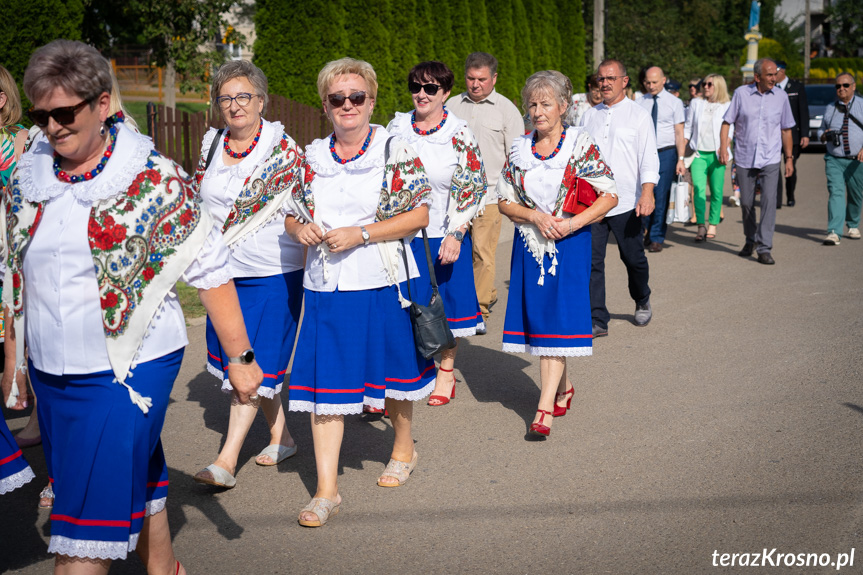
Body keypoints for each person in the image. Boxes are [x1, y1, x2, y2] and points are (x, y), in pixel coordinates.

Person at [12, 39, 262, 573]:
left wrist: (241, 360)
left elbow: (208, 267)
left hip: (127, 367)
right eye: (41, 114)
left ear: (102, 104)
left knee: (79, 534)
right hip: (53, 369)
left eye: (64, 112)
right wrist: (18, 364)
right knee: (131, 471)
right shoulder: (27, 177)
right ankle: (164, 566)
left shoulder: (151, 178)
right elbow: (15, 275)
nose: (52, 126)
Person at [284, 57, 434, 527]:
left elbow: (421, 215)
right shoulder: (309, 157)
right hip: (326, 285)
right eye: (337, 98)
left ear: (371, 101)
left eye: (357, 97)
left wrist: (363, 233)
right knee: (324, 384)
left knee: (394, 377)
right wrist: (300, 228)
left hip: (384, 281)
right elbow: (288, 213)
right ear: (325, 104)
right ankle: (327, 490)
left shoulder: (395, 149)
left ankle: (404, 446)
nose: (347, 105)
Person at [191, 60, 304, 488]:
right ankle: (284, 437)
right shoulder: (212, 143)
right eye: (226, 97)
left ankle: (225, 460)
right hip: (223, 273)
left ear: (261, 100)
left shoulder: (283, 150)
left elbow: (305, 204)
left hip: (273, 271)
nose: (235, 105)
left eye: (244, 96)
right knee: (256, 362)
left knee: (250, 363)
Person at [498, 70, 617, 437]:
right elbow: (504, 200)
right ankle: (564, 388)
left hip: (570, 241)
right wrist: (533, 215)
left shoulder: (580, 144)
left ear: (563, 106)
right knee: (544, 319)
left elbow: (610, 195)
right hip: (531, 244)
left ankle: (544, 407)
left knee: (556, 319)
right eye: (532, 104)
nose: (538, 111)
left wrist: (571, 224)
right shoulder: (519, 148)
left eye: (546, 103)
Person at [387, 61, 487, 406]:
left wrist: (456, 234)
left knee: (446, 309)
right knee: (403, 308)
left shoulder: (458, 133)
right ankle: (406, 375)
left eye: (431, 88)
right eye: (416, 86)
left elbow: (473, 187)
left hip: (442, 235)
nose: (421, 94)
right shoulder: (396, 127)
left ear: (445, 93)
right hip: (400, 236)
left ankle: (446, 371)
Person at [446, 52, 524, 333]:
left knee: (482, 252)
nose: (475, 84)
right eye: (470, 78)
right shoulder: (451, 106)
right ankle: (478, 295)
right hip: (453, 197)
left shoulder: (506, 111)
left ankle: (479, 311)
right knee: (455, 252)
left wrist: (514, 195)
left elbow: (516, 156)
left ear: (494, 78)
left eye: (481, 79)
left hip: (489, 196)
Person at [580, 59, 658, 337]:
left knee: (633, 257)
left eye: (610, 78)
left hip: (627, 202)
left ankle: (642, 298)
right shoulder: (588, 116)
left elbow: (649, 157)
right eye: (601, 79)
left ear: (624, 81)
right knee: (592, 262)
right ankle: (597, 318)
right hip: (592, 203)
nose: (605, 83)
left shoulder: (638, 115)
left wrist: (647, 192)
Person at [720, 58, 795, 265]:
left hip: (770, 157)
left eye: (775, 74)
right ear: (757, 77)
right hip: (744, 157)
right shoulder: (741, 94)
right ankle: (750, 239)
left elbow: (786, 129)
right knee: (746, 203)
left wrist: (789, 159)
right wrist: (723, 146)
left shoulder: (781, 97)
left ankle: (764, 247)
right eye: (769, 75)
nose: (774, 78)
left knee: (769, 202)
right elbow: (727, 122)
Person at [638, 66, 686, 252]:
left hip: (666, 152)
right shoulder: (640, 102)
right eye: (647, 82)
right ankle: (644, 231)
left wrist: (680, 159)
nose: (651, 86)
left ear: (664, 80)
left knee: (662, 195)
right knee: (644, 192)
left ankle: (656, 236)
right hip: (644, 152)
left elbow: (679, 132)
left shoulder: (675, 102)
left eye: (654, 82)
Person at [684, 73, 733, 241]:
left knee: (716, 191)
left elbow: (731, 130)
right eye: (704, 84)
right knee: (698, 190)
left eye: (709, 84)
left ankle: (712, 224)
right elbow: (688, 128)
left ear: (718, 86)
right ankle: (700, 226)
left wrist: (725, 149)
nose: (705, 87)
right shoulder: (696, 104)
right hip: (698, 154)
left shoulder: (727, 105)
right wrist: (681, 155)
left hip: (717, 154)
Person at [818, 72, 863, 245]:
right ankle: (834, 232)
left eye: (845, 85)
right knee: (835, 192)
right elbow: (821, 129)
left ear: (853, 86)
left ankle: (852, 224)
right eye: (838, 86)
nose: (841, 89)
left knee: (855, 194)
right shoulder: (830, 108)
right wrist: (823, 136)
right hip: (834, 158)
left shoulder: (861, 105)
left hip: (857, 160)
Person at [774, 60, 810, 207]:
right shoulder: (771, 89)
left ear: (782, 72)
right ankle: (776, 199)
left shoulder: (796, 87)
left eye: (774, 73)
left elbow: (803, 111)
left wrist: (805, 134)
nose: (772, 76)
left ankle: (790, 195)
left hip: (792, 136)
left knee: (790, 165)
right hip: (775, 136)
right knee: (774, 168)